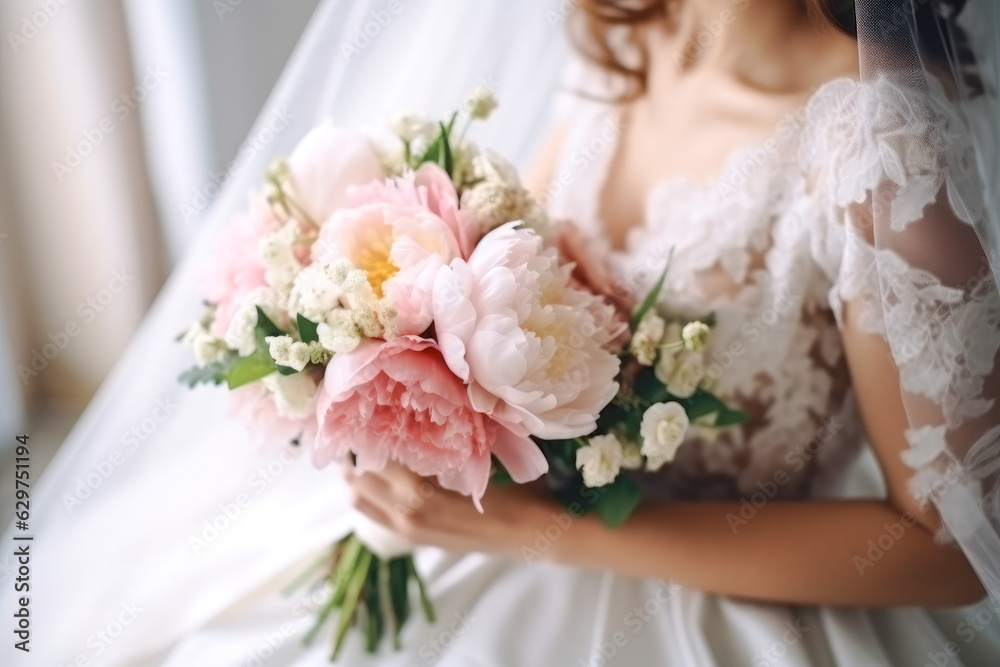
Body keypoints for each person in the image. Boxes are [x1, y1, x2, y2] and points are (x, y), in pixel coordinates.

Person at [7, 1, 1000, 665]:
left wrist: (544, 530)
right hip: (497, 522)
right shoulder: (626, 34)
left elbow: (950, 543)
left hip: (715, 589)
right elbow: (524, 271)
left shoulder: (880, 148)